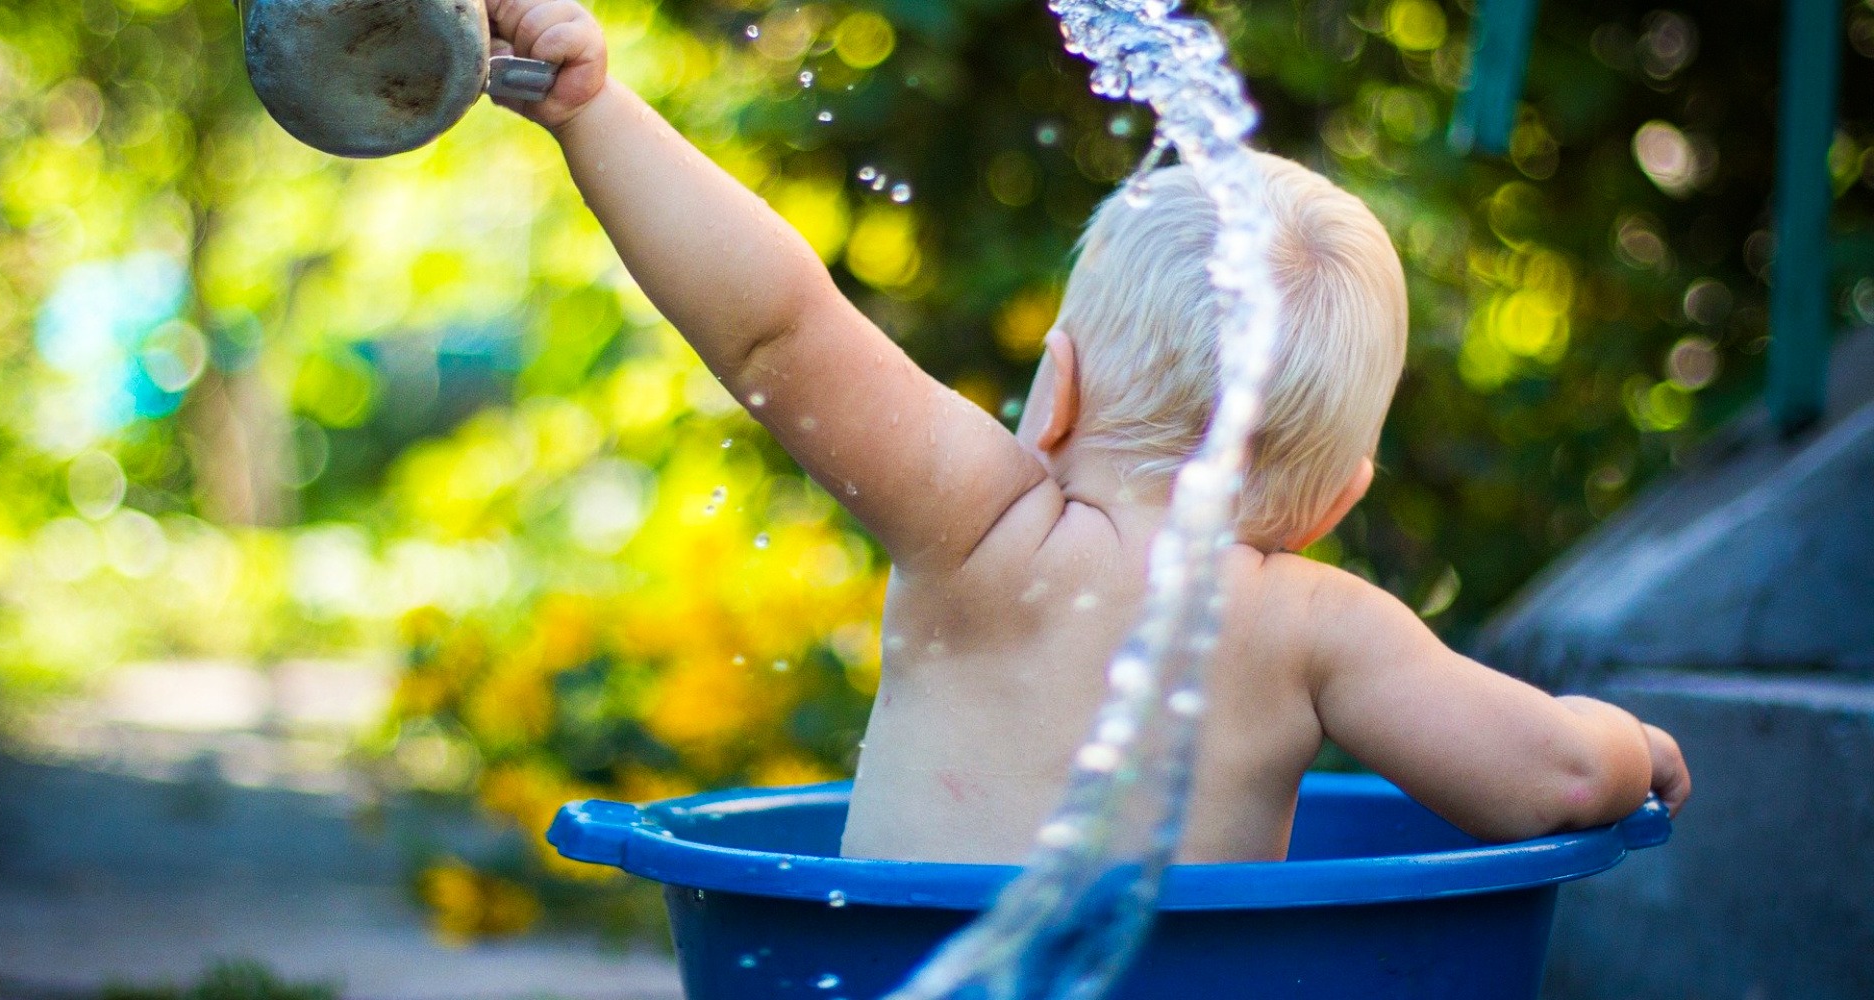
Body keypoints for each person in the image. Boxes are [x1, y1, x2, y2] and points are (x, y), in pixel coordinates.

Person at [483, 0, 1691, 864]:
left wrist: (593, 109)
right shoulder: (1316, 628)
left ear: (1051, 391)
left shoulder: (981, 527)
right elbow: (1559, 778)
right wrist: (1628, 743)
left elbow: (778, 332)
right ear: (1336, 500)